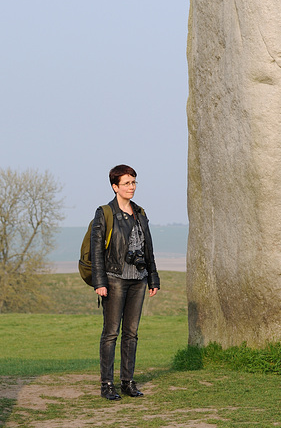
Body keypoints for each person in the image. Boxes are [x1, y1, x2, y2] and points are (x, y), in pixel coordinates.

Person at [91, 164, 160, 401]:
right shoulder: (104, 213)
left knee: (131, 333)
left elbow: (147, 248)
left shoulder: (140, 212)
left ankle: (127, 382)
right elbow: (97, 251)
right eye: (126, 183)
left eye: (133, 182)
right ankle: (107, 384)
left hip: (138, 281)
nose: (131, 187)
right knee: (111, 333)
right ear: (115, 187)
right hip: (114, 280)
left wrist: (153, 277)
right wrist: (99, 282)